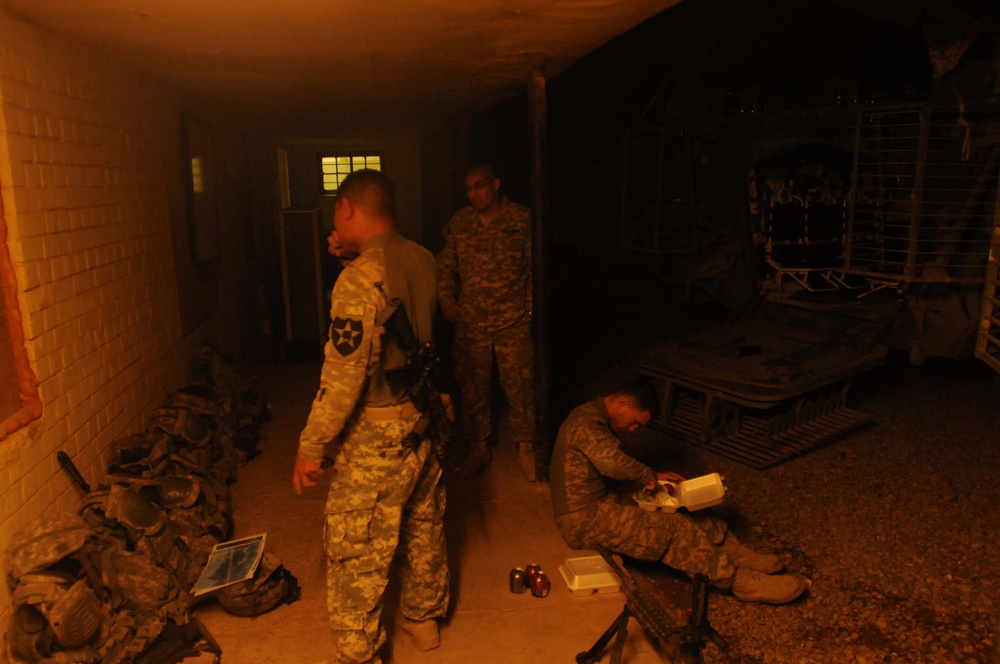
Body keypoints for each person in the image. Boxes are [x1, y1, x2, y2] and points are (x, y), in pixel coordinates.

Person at [292, 170, 449, 664]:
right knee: (423, 520)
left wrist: (311, 447)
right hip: (425, 416)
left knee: (356, 545)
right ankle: (424, 622)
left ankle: (360, 650)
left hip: (379, 430)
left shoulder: (358, 279)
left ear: (346, 208)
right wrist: (347, 257)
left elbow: (343, 376)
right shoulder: (423, 258)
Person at [549, 375, 808, 604]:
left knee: (670, 496)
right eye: (636, 422)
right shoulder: (587, 424)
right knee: (673, 529)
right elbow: (611, 463)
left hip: (600, 503)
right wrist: (645, 474)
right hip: (583, 520)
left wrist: (654, 479)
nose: (633, 429)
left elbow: (610, 463)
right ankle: (740, 581)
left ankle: (731, 550)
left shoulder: (590, 418)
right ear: (623, 403)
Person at [436, 163, 537, 481]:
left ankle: (527, 447)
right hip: (472, 322)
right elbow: (446, 265)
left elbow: (535, 266)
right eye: (468, 188)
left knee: (520, 387)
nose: (473, 193)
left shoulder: (522, 218)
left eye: (479, 186)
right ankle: (478, 447)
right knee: (473, 388)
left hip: (513, 320)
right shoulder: (461, 221)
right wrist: (448, 301)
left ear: (495, 185)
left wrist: (530, 310)